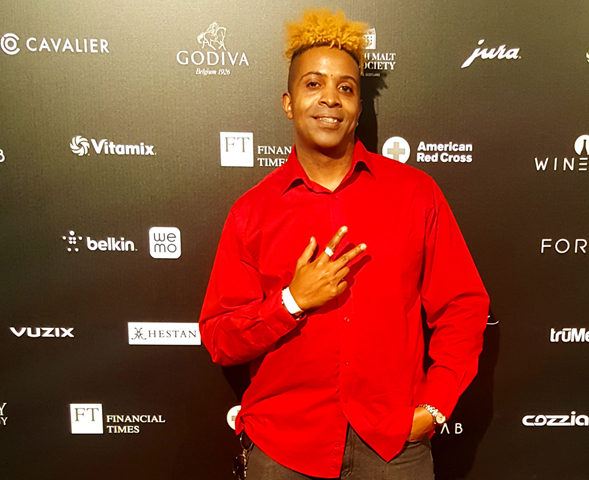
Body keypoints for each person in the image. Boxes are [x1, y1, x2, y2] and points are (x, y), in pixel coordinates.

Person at [199, 9, 489, 480]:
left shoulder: (416, 194)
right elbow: (219, 337)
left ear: (358, 107)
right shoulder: (253, 211)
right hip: (284, 450)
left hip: (394, 446)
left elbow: (462, 306)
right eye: (313, 84)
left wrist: (435, 406)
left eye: (346, 88)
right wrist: (292, 302)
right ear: (289, 103)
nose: (330, 98)